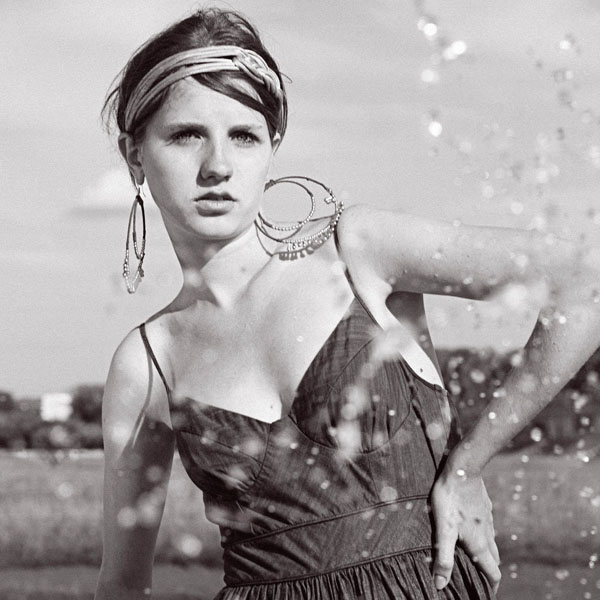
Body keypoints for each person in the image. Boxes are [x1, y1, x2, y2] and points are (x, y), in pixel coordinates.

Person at [94, 7, 600, 600]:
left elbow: (581, 280)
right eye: (186, 135)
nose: (218, 166)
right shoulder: (147, 363)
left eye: (244, 136)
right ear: (135, 154)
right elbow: (122, 583)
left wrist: (469, 463)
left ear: (272, 145)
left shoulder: (357, 252)